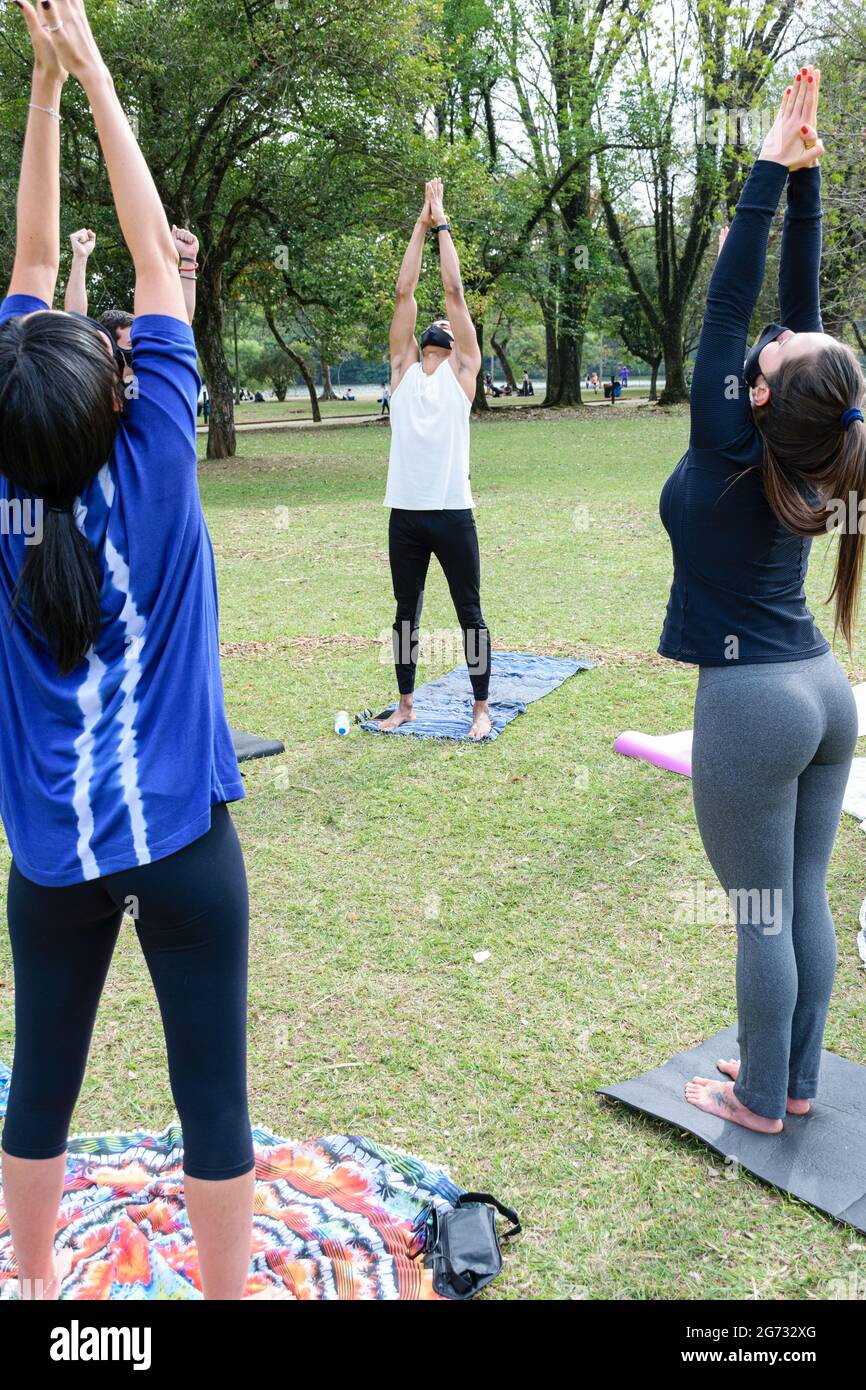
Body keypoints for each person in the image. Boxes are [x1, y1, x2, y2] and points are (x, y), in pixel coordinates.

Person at [0, 0, 254, 1299]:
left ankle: (34, 1292)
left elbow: (40, 274)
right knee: (212, 1098)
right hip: (183, 852)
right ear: (116, 386)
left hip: (51, 860)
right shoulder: (155, 460)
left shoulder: (5, 495)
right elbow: (148, 260)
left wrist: (42, 95)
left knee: (38, 1076)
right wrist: (84, 67)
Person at [659, 67, 865, 1132]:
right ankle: (794, 1080)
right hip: (825, 695)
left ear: (760, 389)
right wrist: (804, 177)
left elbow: (732, 305)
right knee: (803, 896)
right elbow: (797, 321)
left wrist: (761, 176)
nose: (780, 335)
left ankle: (756, 1099)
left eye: (784, 352)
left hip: (750, 703)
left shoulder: (729, 432)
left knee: (759, 912)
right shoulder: (810, 440)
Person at [378, 177, 492, 741]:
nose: (445, 325)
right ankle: (405, 703)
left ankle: (479, 708)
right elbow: (405, 295)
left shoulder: (462, 375)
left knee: (468, 611)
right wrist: (418, 229)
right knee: (405, 613)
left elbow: (454, 294)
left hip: (451, 511)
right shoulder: (401, 375)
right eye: (440, 330)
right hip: (406, 511)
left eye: (452, 328)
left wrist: (442, 221)